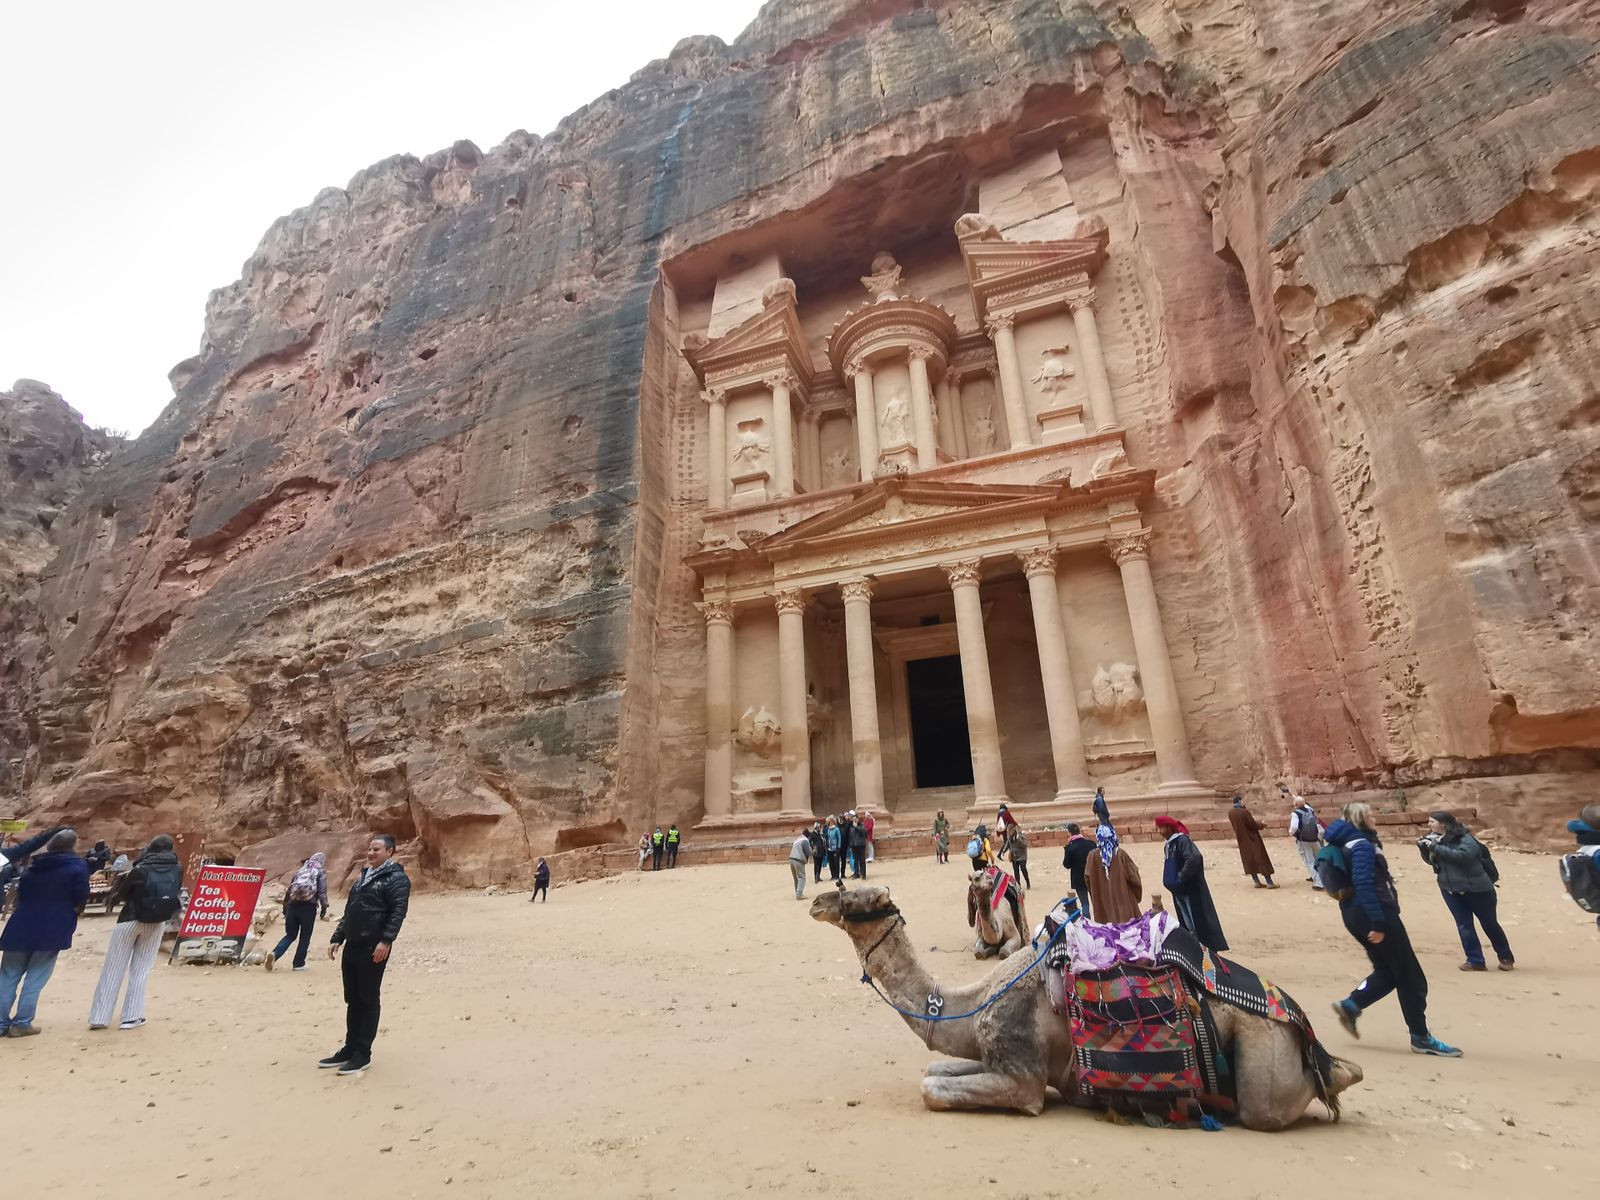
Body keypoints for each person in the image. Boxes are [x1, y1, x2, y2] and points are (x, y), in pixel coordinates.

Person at [1325, 803, 1461, 1057]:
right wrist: (1378, 922)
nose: (1375, 818)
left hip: (1354, 913)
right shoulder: (1362, 845)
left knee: (1388, 970)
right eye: (1371, 815)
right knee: (1411, 977)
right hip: (1374, 914)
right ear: (1361, 820)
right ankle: (1421, 1037)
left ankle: (1352, 1005)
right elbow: (1365, 884)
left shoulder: (1347, 842)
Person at [322, 834, 411, 1076]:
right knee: (353, 998)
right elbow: (351, 911)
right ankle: (350, 1048)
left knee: (368, 998)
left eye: (377, 849)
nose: (371, 853)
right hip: (352, 944)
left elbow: (398, 912)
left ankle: (363, 1053)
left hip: (373, 946)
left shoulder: (397, 879)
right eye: (369, 849)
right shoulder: (363, 878)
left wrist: (386, 940)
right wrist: (337, 937)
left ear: (390, 852)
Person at [89, 833, 183, 1031]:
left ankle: (100, 1017)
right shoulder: (178, 869)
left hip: (129, 919)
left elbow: (122, 893)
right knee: (141, 970)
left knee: (113, 968)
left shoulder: (141, 869)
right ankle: (132, 1017)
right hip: (157, 921)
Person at [0, 829, 90, 1037]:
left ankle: (1, 1022)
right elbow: (80, 894)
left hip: (21, 925)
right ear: (72, 846)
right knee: (36, 977)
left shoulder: (34, 867)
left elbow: (21, 894)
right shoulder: (77, 866)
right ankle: (22, 1022)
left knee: (7, 975)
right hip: (54, 927)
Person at [1418, 812, 1512, 971]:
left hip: (1477, 889)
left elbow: (1465, 856)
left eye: (1432, 821)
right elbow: (1431, 861)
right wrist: (1424, 849)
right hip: (1449, 889)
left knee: (1489, 923)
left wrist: (1435, 847)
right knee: (1464, 925)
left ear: (1444, 824)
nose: (1429, 825)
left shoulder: (1465, 838)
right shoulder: (1434, 839)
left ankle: (1505, 957)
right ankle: (1475, 960)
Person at [1155, 816, 1228, 952]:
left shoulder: (1182, 840)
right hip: (1177, 890)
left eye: (1161, 828)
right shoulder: (1169, 845)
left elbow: (1194, 858)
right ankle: (1195, 947)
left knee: (1197, 920)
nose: (1159, 831)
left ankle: (1206, 949)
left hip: (1189, 889)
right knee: (1187, 922)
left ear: (1169, 827)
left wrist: (1181, 877)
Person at [267, 852, 331, 972]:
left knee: (290, 935)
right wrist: (324, 907)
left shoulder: (301, 871)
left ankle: (275, 953)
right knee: (305, 937)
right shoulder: (320, 872)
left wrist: (285, 907)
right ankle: (298, 963)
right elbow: (322, 891)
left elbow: (290, 889)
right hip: (308, 907)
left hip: (292, 905)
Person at [1086, 823, 1143, 925]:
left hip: (1102, 910)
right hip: (1124, 908)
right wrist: (1136, 897)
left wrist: (1096, 897)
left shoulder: (1092, 856)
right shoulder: (1120, 854)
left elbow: (1088, 880)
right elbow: (1134, 878)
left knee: (1108, 936)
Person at [1228, 795, 1277, 888]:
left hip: (1242, 839)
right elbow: (1252, 824)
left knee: (1249, 860)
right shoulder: (1244, 812)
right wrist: (1262, 825)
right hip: (1252, 838)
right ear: (1239, 801)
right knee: (1261, 859)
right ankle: (1269, 882)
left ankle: (1256, 881)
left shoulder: (1231, 813)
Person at [1287, 791, 1324, 887]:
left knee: (1309, 861)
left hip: (1303, 840)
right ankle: (1324, 878)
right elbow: (1302, 803)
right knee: (1318, 859)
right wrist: (1292, 795)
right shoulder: (1310, 810)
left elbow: (1294, 827)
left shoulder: (1296, 814)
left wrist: (1291, 833)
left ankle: (1319, 883)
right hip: (1315, 838)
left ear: (1295, 804)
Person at [1061, 824, 1097, 920]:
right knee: (1097, 902)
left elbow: (1066, 865)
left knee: (1084, 904)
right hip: (1093, 876)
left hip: (1079, 879)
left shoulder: (1070, 848)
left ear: (1070, 833)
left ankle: (1088, 925)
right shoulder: (1091, 844)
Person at [1002, 823, 1031, 890]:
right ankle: (1018, 885)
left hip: (1022, 855)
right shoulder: (1009, 836)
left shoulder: (1020, 835)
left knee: (1023, 868)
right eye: (1008, 832)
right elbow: (1008, 843)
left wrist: (1018, 839)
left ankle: (1027, 881)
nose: (1009, 833)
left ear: (1013, 830)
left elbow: (1024, 845)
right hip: (1014, 856)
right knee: (1016, 871)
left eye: (1009, 831)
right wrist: (1004, 850)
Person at [788, 830, 812, 901]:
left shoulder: (797, 840)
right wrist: (813, 852)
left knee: (796, 878)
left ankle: (797, 892)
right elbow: (807, 851)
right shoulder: (805, 840)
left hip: (791, 859)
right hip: (798, 860)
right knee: (801, 877)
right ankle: (799, 894)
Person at [847, 814, 868, 880]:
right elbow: (850, 837)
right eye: (853, 820)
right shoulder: (851, 827)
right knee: (855, 861)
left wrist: (856, 827)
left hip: (861, 845)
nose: (854, 821)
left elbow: (864, 833)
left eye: (855, 819)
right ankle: (856, 874)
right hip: (854, 846)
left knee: (862, 860)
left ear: (858, 820)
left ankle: (863, 874)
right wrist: (850, 845)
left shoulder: (861, 825)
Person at [825, 816, 843, 881]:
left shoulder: (836, 829)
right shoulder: (828, 829)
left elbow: (839, 838)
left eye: (831, 822)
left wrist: (838, 846)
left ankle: (837, 875)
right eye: (829, 822)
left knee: (836, 862)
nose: (830, 823)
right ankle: (832, 875)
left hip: (835, 848)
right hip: (829, 848)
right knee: (831, 862)